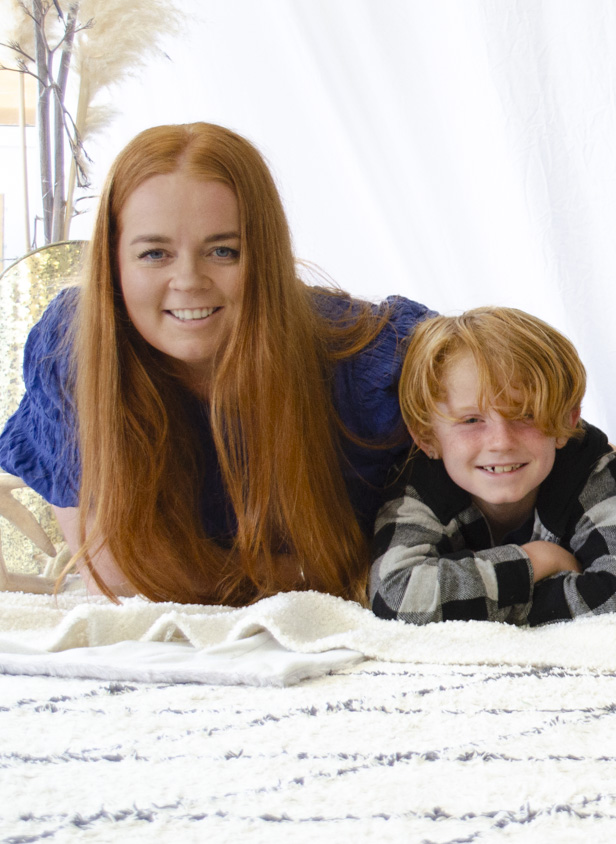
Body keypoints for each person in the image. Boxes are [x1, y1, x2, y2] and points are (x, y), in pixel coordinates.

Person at [0, 122, 432, 605]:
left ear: (265, 256)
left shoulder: (369, 356)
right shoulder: (73, 345)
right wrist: (330, 572)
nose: (188, 280)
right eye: (155, 253)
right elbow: (118, 570)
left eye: (223, 251)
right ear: (112, 261)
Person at [369, 307, 616, 625]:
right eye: (471, 420)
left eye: (525, 415)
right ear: (426, 436)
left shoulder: (585, 464)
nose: (501, 442)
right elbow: (396, 596)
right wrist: (537, 559)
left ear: (566, 421)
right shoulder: (422, 481)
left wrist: (467, 605)